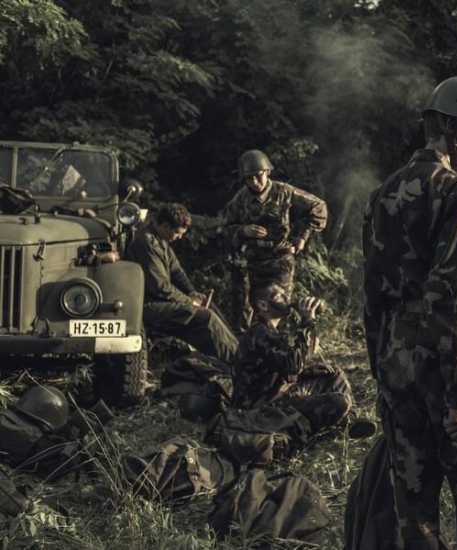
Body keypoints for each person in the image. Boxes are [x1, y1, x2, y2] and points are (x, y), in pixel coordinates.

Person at [362, 75, 457, 549]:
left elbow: (373, 296)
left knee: (414, 508)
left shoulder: (382, 194)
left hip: (396, 360)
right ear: (450, 127)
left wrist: (381, 370)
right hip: (443, 364)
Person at [232, 282, 376, 439]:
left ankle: (350, 422)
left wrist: (308, 372)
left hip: (277, 394)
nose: (287, 297)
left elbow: (279, 372)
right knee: (338, 402)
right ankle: (332, 427)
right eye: (280, 296)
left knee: (333, 373)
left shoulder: (268, 331)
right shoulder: (259, 332)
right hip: (261, 409)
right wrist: (307, 321)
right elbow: (294, 364)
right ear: (263, 305)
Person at [222, 150, 328, 332]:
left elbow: (319, 208)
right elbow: (225, 229)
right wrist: (243, 230)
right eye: (249, 178)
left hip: (280, 260)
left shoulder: (285, 192)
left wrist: (302, 236)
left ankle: (283, 344)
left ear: (267, 172)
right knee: (254, 310)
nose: (255, 182)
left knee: (281, 307)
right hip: (254, 262)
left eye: (258, 176)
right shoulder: (240, 199)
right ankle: (256, 345)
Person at [126, 203, 238, 364]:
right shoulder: (146, 243)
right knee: (205, 317)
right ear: (165, 226)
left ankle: (240, 352)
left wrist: (193, 292)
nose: (179, 237)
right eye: (177, 233)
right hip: (147, 306)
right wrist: (189, 302)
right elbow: (160, 287)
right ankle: (240, 362)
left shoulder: (161, 240)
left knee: (209, 306)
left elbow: (177, 272)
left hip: (160, 302)